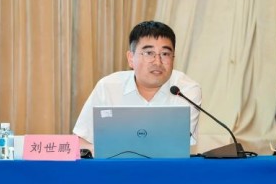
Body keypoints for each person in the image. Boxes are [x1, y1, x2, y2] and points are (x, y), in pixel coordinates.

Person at [72, 21, 201, 152]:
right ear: (131, 58)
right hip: (115, 164)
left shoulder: (186, 90)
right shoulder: (108, 88)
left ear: (173, 58)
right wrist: (103, 152)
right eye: (149, 53)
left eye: (165, 54)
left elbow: (177, 146)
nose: (158, 62)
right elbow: (80, 141)